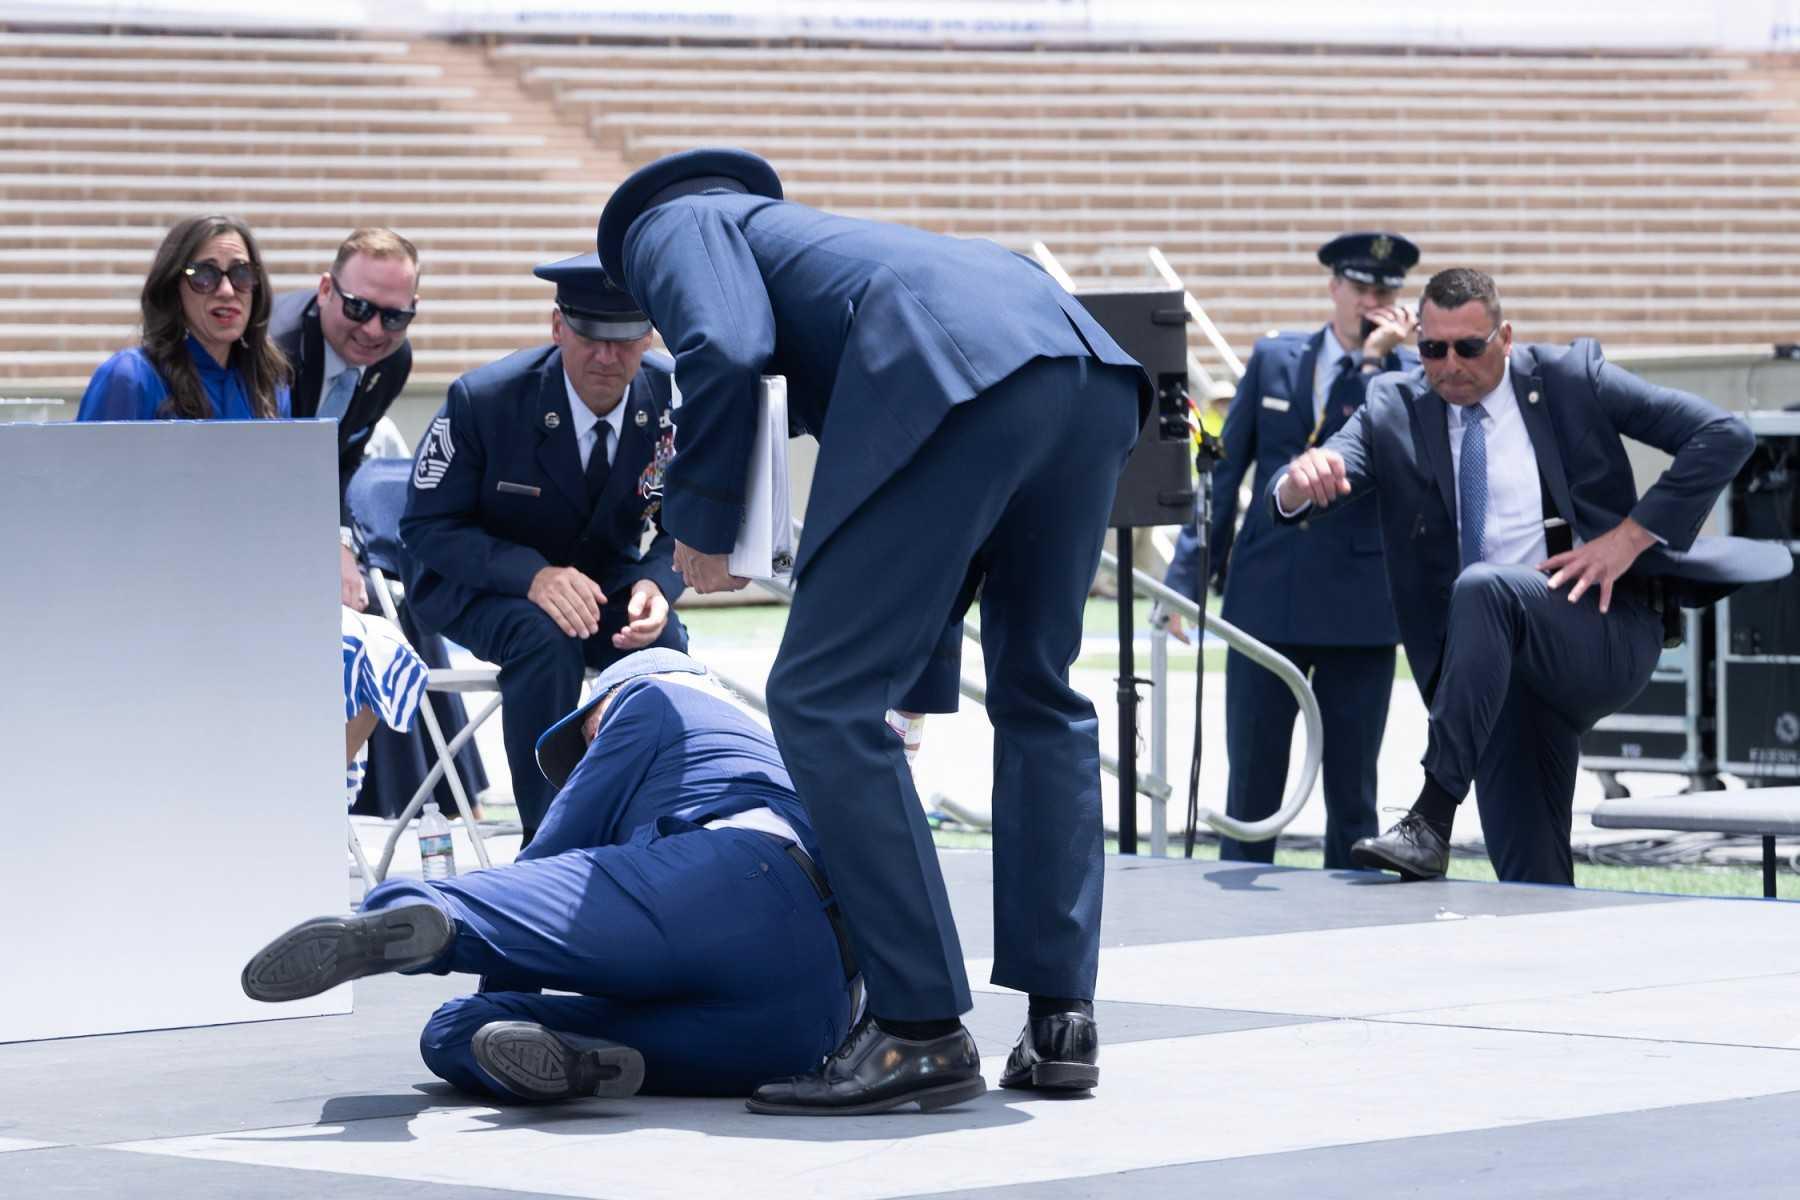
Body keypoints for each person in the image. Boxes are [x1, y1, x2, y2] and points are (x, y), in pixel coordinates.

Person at [597, 148, 1150, 1114]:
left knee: (815, 699)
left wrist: (701, 525)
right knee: (1038, 690)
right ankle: (1064, 1018)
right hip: (1088, 365)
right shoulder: (818, 244)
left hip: (955, 374)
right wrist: (912, 675)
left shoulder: (672, 226)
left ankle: (918, 1024)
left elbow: (720, 349)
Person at [1274, 267, 1779, 885]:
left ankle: (1430, 816)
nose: (1449, 365)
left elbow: (1722, 434)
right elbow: (1319, 471)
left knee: (1486, 586)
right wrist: (1299, 482)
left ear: (1505, 337)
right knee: (1529, 874)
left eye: (1468, 347)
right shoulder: (1393, 407)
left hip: (1600, 629)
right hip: (1491, 674)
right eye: (1432, 349)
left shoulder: (1570, 378)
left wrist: (1628, 539)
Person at [241, 649, 856, 1104]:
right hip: (804, 1023)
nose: (591, 747)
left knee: (439, 910)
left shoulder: (657, 698)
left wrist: (500, 946)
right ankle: (581, 1067)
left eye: (590, 730)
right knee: (455, 1032)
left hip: (723, 881)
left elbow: (558, 845)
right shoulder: (784, 755)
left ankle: (416, 912)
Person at [400, 253, 686, 842]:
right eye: (588, 336)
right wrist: (533, 576)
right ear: (558, 328)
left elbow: (687, 522)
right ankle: (553, 838)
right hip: (478, 580)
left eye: (625, 339)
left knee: (664, 640)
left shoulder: (670, 400)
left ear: (649, 337)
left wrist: (658, 582)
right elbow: (427, 528)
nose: (606, 357)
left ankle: (657, 825)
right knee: (544, 640)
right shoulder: (485, 401)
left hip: (597, 574)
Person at [1163, 232, 1420, 867]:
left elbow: (1347, 454)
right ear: (1334, 287)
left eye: (1386, 292)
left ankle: (1343, 923)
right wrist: (1188, 576)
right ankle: (1234, 920)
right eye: (1361, 288)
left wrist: (1374, 363)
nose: (1372, 303)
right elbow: (1227, 476)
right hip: (1267, 598)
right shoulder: (1276, 358)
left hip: (1359, 606)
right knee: (1251, 779)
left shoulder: (1411, 376)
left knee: (1352, 791)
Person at [269, 227, 421, 614]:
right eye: (358, 307)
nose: (373, 330)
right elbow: (268, 469)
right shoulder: (274, 348)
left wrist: (340, 541)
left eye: (394, 317)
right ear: (325, 290)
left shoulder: (393, 360)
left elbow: (343, 460)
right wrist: (332, 545)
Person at [76, 214, 289, 422]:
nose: (227, 291)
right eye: (205, 274)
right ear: (173, 288)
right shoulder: (130, 377)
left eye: (242, 272)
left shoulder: (268, 383)